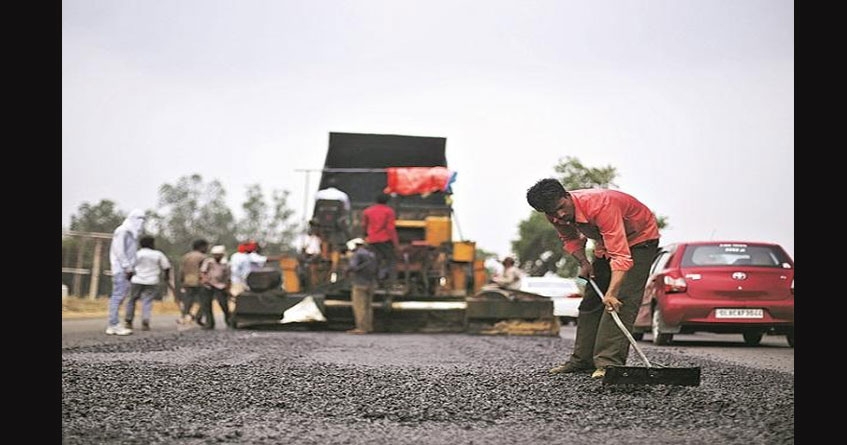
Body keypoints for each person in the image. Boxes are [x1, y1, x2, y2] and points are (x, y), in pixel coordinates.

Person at [526, 178, 659, 379]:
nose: (560, 215)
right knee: (591, 301)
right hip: (605, 243)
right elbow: (570, 239)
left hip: (640, 241)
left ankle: (608, 363)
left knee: (619, 300)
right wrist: (584, 263)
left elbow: (621, 256)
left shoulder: (601, 205)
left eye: (562, 207)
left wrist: (612, 293)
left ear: (567, 195)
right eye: (553, 213)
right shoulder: (553, 214)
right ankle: (582, 360)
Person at [106, 209, 146, 335]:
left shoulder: (131, 233)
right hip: (121, 269)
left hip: (126, 269)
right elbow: (119, 251)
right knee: (117, 296)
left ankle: (114, 324)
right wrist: (127, 267)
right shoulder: (122, 231)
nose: (141, 222)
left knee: (120, 296)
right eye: (139, 219)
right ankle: (113, 324)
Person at [125, 235, 172, 331]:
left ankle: (129, 320)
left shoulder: (137, 254)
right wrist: (166, 277)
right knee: (147, 301)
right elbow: (166, 267)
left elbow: (129, 268)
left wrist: (129, 277)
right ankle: (145, 319)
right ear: (152, 244)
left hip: (137, 280)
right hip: (152, 280)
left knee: (132, 300)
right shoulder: (158, 254)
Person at [361, 192, 400, 289]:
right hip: (385, 240)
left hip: (372, 240)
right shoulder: (389, 211)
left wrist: (365, 236)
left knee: (374, 261)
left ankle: (374, 282)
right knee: (391, 260)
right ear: (387, 201)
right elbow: (390, 228)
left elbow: (364, 226)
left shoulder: (367, 211)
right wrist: (396, 243)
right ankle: (391, 282)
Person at [345, 238, 378, 334]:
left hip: (359, 283)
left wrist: (349, 258)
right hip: (371, 283)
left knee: (359, 307)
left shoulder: (357, 254)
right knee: (368, 306)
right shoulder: (371, 254)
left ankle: (361, 328)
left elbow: (352, 267)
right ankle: (368, 327)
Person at [178, 239, 209, 327]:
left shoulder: (186, 256)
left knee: (188, 301)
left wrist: (181, 280)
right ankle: (198, 316)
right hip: (199, 281)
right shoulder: (203, 257)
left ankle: (185, 316)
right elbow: (205, 270)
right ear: (201, 247)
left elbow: (181, 270)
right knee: (204, 301)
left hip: (187, 281)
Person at [200, 245, 232, 329]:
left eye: (218, 255)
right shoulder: (208, 262)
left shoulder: (226, 264)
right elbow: (203, 272)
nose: (216, 256)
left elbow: (228, 277)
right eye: (215, 254)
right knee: (207, 305)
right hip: (208, 285)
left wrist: (227, 288)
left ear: (222, 255)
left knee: (223, 304)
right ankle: (209, 323)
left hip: (220, 286)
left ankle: (229, 321)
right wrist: (204, 280)